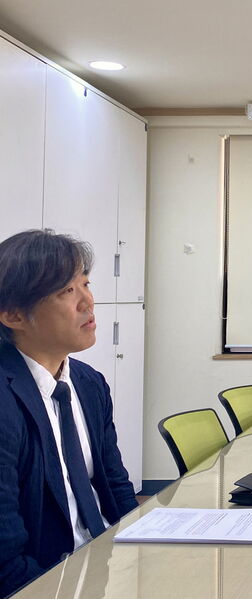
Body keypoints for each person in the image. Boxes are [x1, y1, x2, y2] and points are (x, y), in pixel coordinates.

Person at [0, 230, 137, 596]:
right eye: (67, 291)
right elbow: (5, 562)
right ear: (13, 314)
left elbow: (116, 485)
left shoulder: (90, 384)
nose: (88, 302)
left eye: (85, 284)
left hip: (105, 564)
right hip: (49, 580)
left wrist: (144, 548)